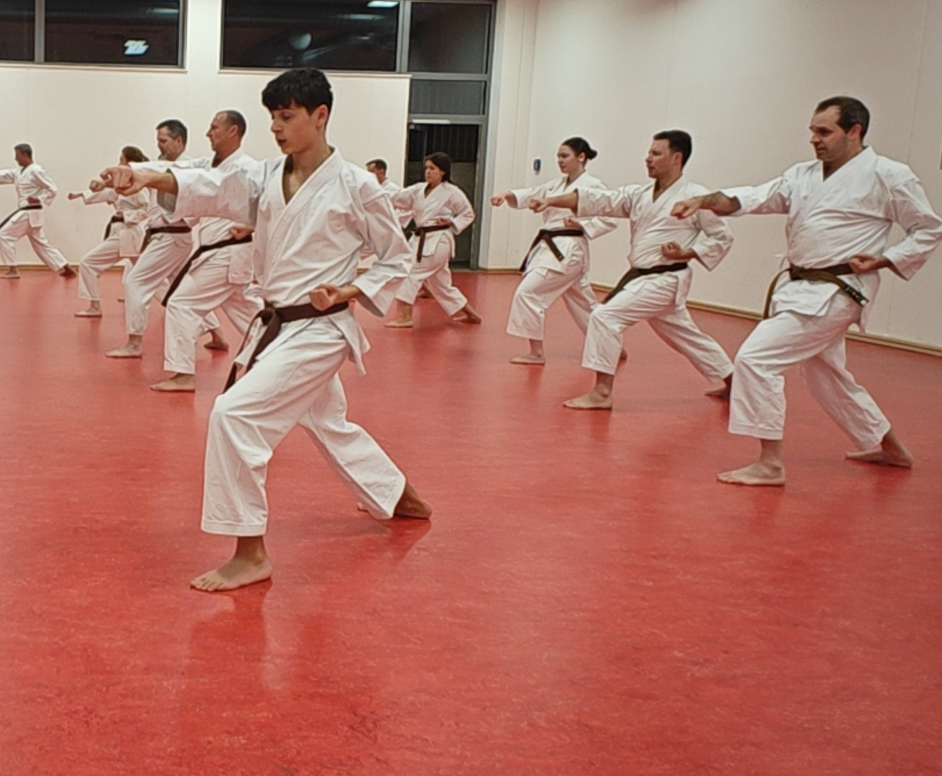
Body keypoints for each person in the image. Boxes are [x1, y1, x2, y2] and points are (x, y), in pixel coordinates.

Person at [102, 68, 431, 592]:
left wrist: (348, 292)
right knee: (328, 422)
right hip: (278, 322)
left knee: (233, 416)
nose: (277, 128)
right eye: (272, 117)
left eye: (287, 116)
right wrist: (149, 177)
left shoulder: (357, 187)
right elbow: (210, 186)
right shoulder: (265, 176)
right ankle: (400, 495)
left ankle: (250, 552)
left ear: (320, 116)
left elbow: (396, 259)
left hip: (321, 328)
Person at [669, 96, 942, 486]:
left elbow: (929, 229)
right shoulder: (802, 175)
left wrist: (886, 259)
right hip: (801, 287)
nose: (814, 139)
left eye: (824, 131)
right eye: (812, 131)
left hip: (838, 290)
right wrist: (703, 200)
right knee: (825, 374)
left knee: (755, 358)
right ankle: (890, 448)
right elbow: (750, 197)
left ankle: (769, 463)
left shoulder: (888, 175)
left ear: (855, 131)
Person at [528, 130, 734, 410]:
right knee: (685, 334)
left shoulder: (696, 197)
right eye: (649, 152)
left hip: (665, 278)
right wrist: (552, 201)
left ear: (677, 158)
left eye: (656, 153)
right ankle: (733, 381)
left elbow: (722, 237)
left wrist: (690, 251)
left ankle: (602, 392)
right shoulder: (639, 194)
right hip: (646, 277)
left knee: (603, 316)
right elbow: (597, 200)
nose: (648, 159)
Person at [151, 111, 263, 392]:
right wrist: (137, 172)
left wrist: (252, 226)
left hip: (228, 252)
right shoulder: (212, 166)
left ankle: (184, 373)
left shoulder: (248, 169)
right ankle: (275, 356)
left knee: (182, 303)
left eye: (214, 127)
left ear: (233, 131)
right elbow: (184, 171)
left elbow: (269, 205)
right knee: (247, 312)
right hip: (221, 252)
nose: (208, 133)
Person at [491, 137, 613, 364]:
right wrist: (507, 194)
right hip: (553, 249)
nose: (560, 161)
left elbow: (609, 216)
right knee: (584, 305)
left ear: (581, 157)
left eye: (565, 156)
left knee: (527, 292)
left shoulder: (594, 186)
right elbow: (532, 193)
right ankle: (613, 346)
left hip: (568, 250)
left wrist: (584, 225)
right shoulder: (555, 185)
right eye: (558, 156)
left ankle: (536, 353)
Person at [107, 119, 219, 359]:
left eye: (163, 140)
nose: (159, 145)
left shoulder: (191, 169)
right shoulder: (163, 167)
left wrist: (182, 220)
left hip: (171, 236)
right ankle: (217, 335)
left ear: (179, 141)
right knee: (182, 287)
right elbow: (146, 170)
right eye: (158, 140)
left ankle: (134, 342)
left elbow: (203, 203)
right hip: (170, 238)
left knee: (135, 282)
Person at [383, 152, 482, 327]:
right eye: (427, 168)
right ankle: (472, 315)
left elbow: (468, 214)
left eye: (432, 168)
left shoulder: (452, 192)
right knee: (440, 284)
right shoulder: (419, 189)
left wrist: (452, 221)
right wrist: (376, 194)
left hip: (439, 240)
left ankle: (406, 317)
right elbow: (399, 198)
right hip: (421, 238)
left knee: (410, 272)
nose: (427, 172)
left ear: (442, 171)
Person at [66, 146, 154, 317]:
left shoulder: (137, 187)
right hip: (125, 233)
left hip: (127, 232)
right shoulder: (120, 186)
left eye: (121, 160)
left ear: (129, 162)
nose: (118, 163)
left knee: (88, 263)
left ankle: (95, 306)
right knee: (148, 273)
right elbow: (105, 194)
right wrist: (81, 194)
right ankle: (171, 301)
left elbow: (147, 208)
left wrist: (127, 215)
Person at [0, 144, 74, 279]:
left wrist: (39, 198)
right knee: (41, 243)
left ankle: (13, 269)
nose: (15, 159)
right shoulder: (19, 172)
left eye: (17, 155)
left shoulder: (36, 170)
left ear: (25, 155)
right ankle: (66, 267)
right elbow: (4, 175)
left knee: (4, 235)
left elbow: (53, 189)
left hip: (29, 212)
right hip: (31, 214)